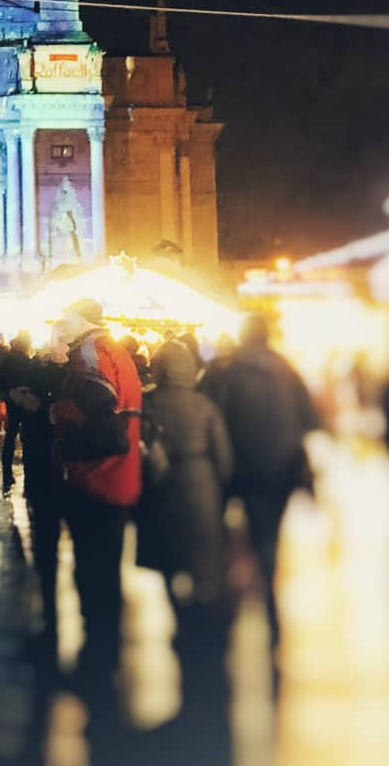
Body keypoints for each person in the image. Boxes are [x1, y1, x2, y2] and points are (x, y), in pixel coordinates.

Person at [136, 339, 236, 752]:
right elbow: (225, 461)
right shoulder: (205, 406)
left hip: (163, 491)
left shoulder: (149, 404)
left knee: (169, 561)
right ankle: (201, 623)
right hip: (200, 489)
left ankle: (180, 615)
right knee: (201, 565)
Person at [48, 303, 143, 703]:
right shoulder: (112, 349)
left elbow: (99, 410)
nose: (60, 327)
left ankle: (97, 664)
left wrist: (55, 411)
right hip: (118, 475)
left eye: (64, 320)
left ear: (79, 321)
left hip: (95, 476)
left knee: (93, 571)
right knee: (105, 570)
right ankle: (106, 655)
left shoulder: (90, 353)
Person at [202, 314, 318, 627]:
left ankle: (227, 599)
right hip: (280, 469)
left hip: (239, 467)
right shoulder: (286, 369)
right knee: (269, 537)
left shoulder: (227, 371)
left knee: (227, 531)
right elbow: (311, 419)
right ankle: (270, 604)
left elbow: (211, 418)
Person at [0, 330, 34, 489]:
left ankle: (7, 473)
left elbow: (1, 380)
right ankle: (29, 475)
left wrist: (4, 397)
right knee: (27, 438)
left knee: (10, 438)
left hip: (11, 400)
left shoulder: (7, 359)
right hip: (25, 400)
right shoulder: (27, 360)